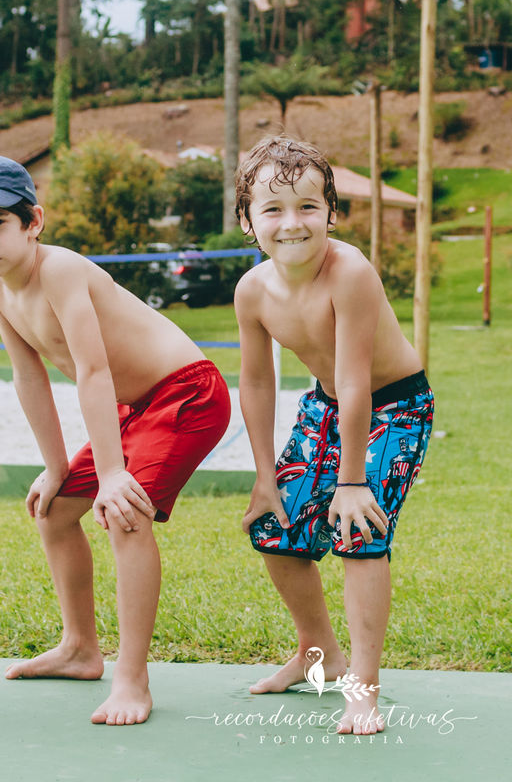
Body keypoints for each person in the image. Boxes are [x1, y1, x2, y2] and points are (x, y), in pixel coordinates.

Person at [0, 154, 231, 726]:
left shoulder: (61, 270)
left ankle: (132, 679)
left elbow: (93, 371)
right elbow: (28, 374)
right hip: (130, 407)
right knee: (53, 511)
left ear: (33, 222)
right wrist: (55, 467)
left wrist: (114, 473)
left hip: (186, 394)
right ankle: (79, 649)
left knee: (125, 513)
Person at [233, 135, 433, 736]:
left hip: (394, 405)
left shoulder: (349, 272)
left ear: (331, 213)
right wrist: (265, 477)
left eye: (307, 206)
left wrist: (351, 483)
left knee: (358, 530)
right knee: (276, 530)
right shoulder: (252, 291)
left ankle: (362, 689)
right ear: (248, 221)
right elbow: (257, 382)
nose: (292, 222)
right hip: (326, 404)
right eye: (272, 209)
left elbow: (356, 383)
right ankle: (318, 654)